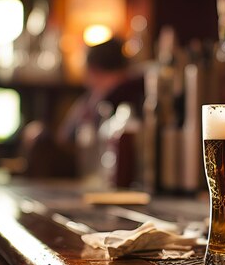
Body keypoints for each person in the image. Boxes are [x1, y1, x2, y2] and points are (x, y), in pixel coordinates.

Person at [18, 36, 145, 179]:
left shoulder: (105, 99)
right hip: (102, 170)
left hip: (90, 171)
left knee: (38, 137)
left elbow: (67, 139)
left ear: (93, 70)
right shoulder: (135, 91)